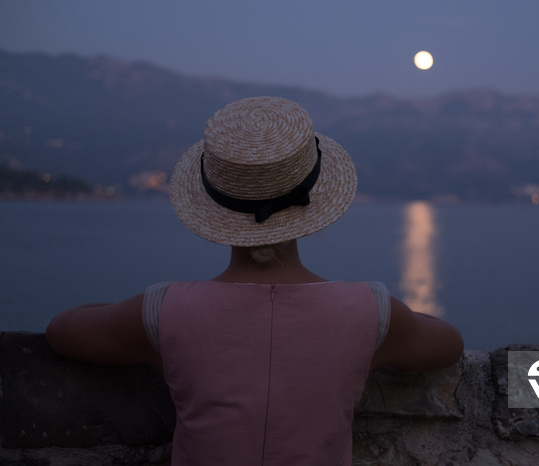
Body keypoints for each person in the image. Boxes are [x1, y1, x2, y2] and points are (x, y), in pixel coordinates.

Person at [45, 96, 464, 465]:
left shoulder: (163, 311)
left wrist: (133, 316)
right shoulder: (370, 311)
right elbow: (449, 343)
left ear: (213, 202)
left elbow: (62, 330)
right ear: (313, 201)